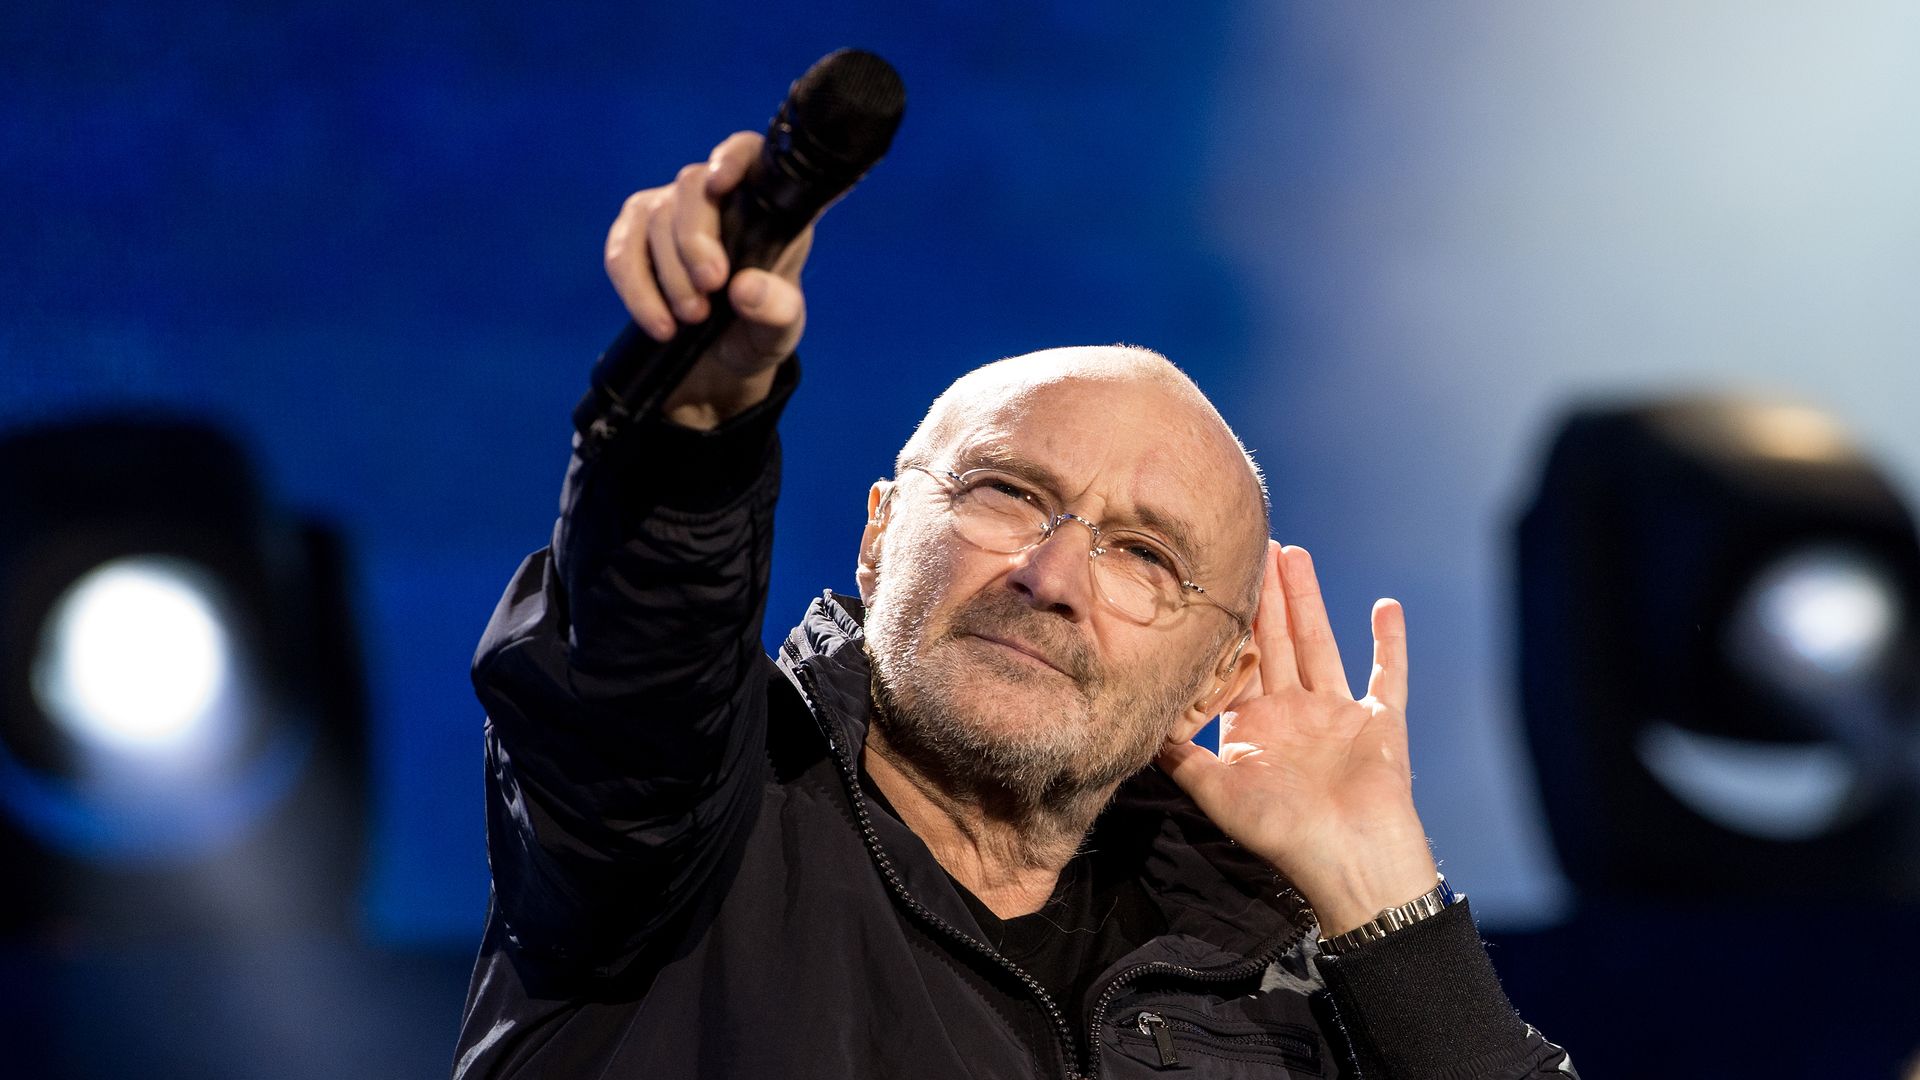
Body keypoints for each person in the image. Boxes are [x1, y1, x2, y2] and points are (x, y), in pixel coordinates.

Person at [453, 131, 1578, 1080]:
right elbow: (636, 673)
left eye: (1145, 554)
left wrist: (1379, 893)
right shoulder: (691, 819)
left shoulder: (1274, 977)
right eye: (1007, 495)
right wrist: (690, 433)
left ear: (1220, 680)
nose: (1052, 578)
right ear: (882, 531)